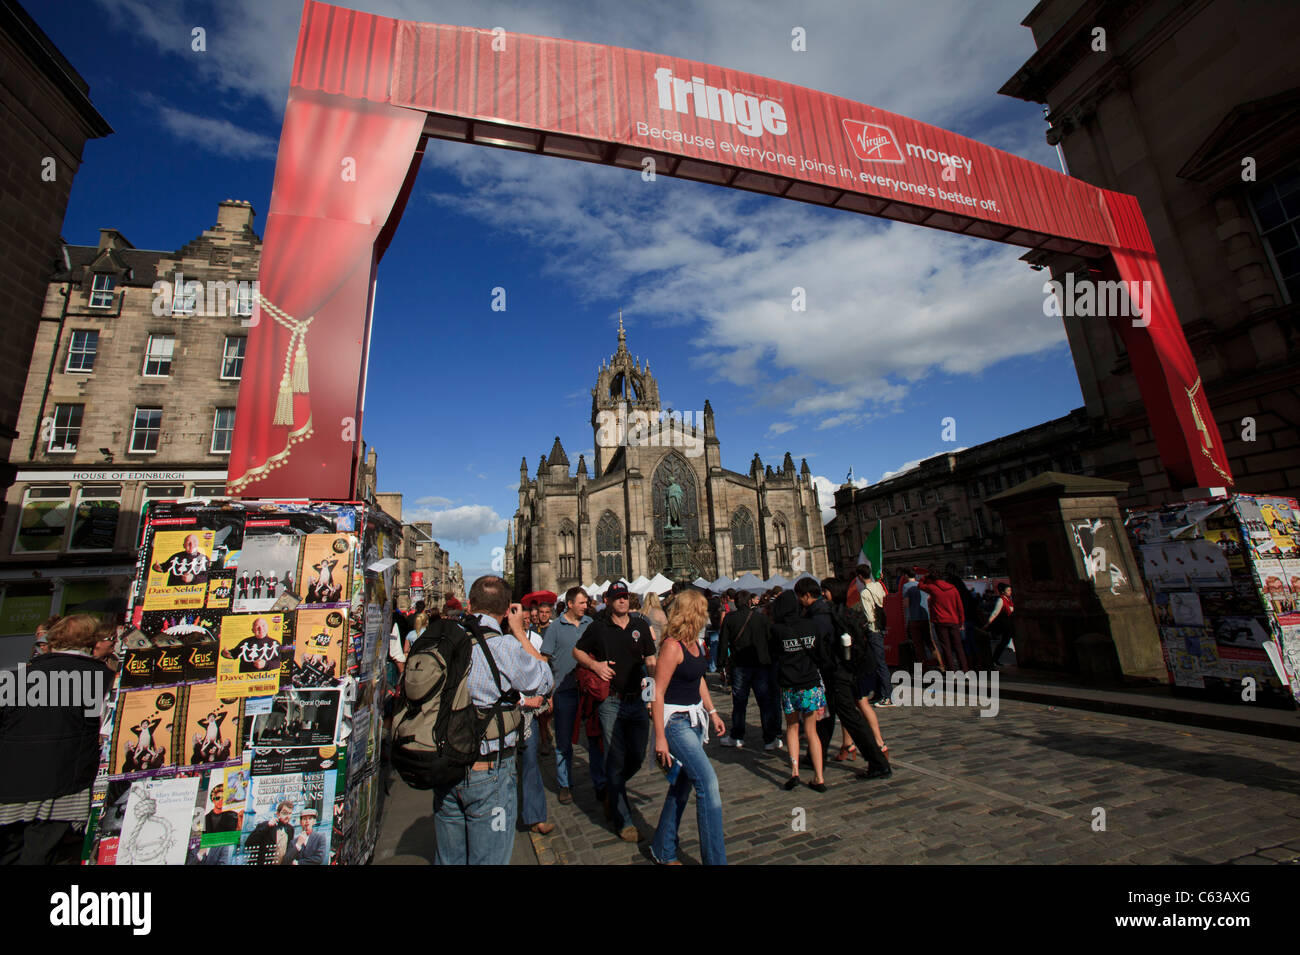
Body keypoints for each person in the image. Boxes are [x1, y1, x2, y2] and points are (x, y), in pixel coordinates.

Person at [433, 575, 552, 866]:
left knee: (449, 859)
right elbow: (544, 681)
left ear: (470, 604)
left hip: (444, 768)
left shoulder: (441, 642)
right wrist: (520, 634)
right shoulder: (504, 648)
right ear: (505, 611)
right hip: (489, 770)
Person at [0, 615, 112, 865]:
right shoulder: (101, 677)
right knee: (42, 856)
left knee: (10, 853)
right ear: (92, 641)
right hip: (63, 787)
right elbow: (103, 730)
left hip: (9, 786)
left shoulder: (17, 676)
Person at [573, 582, 656, 842]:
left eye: (625, 597)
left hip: (637, 701)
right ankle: (624, 821)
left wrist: (652, 697)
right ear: (608, 601)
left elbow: (651, 661)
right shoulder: (598, 627)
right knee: (615, 757)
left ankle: (611, 786)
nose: (622, 601)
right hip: (610, 702)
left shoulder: (640, 625)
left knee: (637, 755)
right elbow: (577, 651)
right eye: (617, 597)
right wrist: (595, 666)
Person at [649, 589, 728, 866]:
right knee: (708, 783)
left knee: (681, 788)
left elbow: (699, 679)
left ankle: (662, 847)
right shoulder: (672, 646)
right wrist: (659, 737)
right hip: (675, 724)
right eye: (704, 609)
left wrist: (713, 711)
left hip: (695, 720)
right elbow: (656, 693)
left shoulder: (695, 643)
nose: (708, 614)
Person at [802, 578, 891, 779]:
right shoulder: (839, 611)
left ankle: (878, 762)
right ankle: (816, 756)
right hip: (840, 672)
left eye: (825, 591)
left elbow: (823, 649)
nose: (823, 594)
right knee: (826, 717)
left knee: (850, 718)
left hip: (837, 673)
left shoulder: (826, 615)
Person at [541, 587, 606, 807]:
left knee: (596, 738)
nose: (585, 606)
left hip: (589, 690)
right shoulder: (555, 628)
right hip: (564, 690)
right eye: (581, 602)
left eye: (586, 603)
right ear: (569, 604)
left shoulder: (591, 624)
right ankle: (565, 784)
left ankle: (600, 782)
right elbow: (544, 660)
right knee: (564, 740)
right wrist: (546, 691)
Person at [770, 590, 828, 792]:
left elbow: (773, 656)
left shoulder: (777, 629)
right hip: (810, 683)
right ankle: (819, 778)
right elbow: (820, 652)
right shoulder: (811, 625)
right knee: (812, 732)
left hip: (789, 685)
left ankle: (794, 771)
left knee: (792, 728)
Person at [715, 591, 782, 751]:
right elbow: (770, 641)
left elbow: (723, 642)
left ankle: (737, 737)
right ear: (750, 602)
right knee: (764, 702)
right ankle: (769, 738)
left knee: (739, 702)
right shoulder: (761, 618)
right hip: (760, 665)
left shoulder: (730, 618)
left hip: (740, 665)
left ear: (736, 603)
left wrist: (721, 664)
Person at [516, 603, 554, 836]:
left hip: (528, 713)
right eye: (523, 617)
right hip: (507, 712)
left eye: (528, 617)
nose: (527, 620)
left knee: (529, 763)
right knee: (510, 766)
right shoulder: (500, 641)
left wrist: (546, 693)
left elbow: (544, 669)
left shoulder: (536, 640)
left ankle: (535, 816)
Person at [920, 573, 968, 671]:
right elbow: (960, 607)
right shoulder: (953, 589)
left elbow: (920, 585)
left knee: (946, 647)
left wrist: (925, 576)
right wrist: (961, 621)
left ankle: (952, 671)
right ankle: (965, 670)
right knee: (959, 647)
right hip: (954, 621)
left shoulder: (932, 588)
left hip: (940, 621)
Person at [901, 570, 941, 670]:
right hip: (926, 617)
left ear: (906, 576)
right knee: (931, 644)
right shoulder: (922, 585)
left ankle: (923, 669)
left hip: (914, 618)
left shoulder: (906, 587)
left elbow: (906, 605)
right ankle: (941, 666)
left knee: (918, 646)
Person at [986, 583, 1015, 668]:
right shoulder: (1001, 600)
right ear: (1003, 592)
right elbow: (995, 613)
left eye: (1010, 590)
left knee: (1004, 642)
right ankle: (994, 659)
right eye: (1008, 590)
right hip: (1005, 625)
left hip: (1009, 624)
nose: (1010, 592)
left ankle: (995, 659)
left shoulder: (1008, 600)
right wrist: (988, 623)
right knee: (1004, 642)